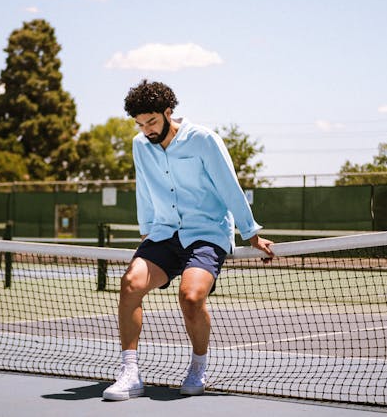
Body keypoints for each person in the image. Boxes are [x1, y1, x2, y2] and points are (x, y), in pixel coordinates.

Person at [102, 80, 274, 401]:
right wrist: (146, 229)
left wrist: (251, 234)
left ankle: (197, 366)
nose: (146, 129)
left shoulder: (204, 141)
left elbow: (229, 187)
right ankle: (130, 373)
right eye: (140, 124)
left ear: (169, 112)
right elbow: (144, 187)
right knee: (130, 284)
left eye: (151, 121)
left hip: (206, 232)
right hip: (164, 232)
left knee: (191, 297)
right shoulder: (141, 144)